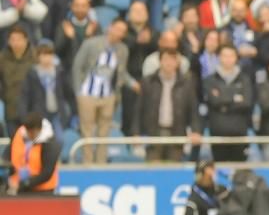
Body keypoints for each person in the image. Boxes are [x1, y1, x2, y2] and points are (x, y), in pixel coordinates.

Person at [72, 18, 137, 164]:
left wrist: (133, 83)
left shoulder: (122, 50)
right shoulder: (91, 44)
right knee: (87, 132)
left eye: (123, 31)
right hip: (87, 93)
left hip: (108, 95)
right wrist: (78, 91)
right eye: (117, 29)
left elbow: (121, 73)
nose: (119, 33)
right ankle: (87, 163)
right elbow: (77, 66)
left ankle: (101, 163)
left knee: (104, 133)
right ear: (110, 27)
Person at [136, 49, 201, 162]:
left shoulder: (187, 83)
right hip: (154, 134)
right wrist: (135, 133)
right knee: (152, 171)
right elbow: (139, 108)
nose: (169, 63)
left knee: (174, 171)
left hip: (177, 134)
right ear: (160, 61)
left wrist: (196, 130)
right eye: (166, 59)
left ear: (177, 63)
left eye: (173, 60)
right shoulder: (148, 82)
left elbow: (193, 109)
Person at [202, 44, 255, 162]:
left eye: (231, 55)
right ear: (218, 57)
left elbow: (246, 103)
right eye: (224, 55)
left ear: (236, 58)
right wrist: (235, 98)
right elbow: (213, 102)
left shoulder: (245, 79)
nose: (228, 59)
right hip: (217, 132)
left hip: (239, 132)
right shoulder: (210, 80)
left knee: (240, 170)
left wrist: (223, 101)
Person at [18, 39, 73, 137]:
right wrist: (24, 116)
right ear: (38, 56)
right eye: (44, 55)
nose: (47, 58)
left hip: (57, 112)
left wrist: (71, 111)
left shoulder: (59, 72)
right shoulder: (32, 74)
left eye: (49, 54)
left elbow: (68, 92)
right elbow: (25, 96)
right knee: (42, 139)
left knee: (59, 139)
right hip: (40, 113)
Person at [2, 112, 60, 194]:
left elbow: (47, 173)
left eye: (32, 133)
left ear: (39, 129)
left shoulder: (49, 144)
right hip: (19, 189)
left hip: (43, 192)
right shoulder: (20, 134)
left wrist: (25, 183)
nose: (30, 135)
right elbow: (9, 151)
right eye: (28, 132)